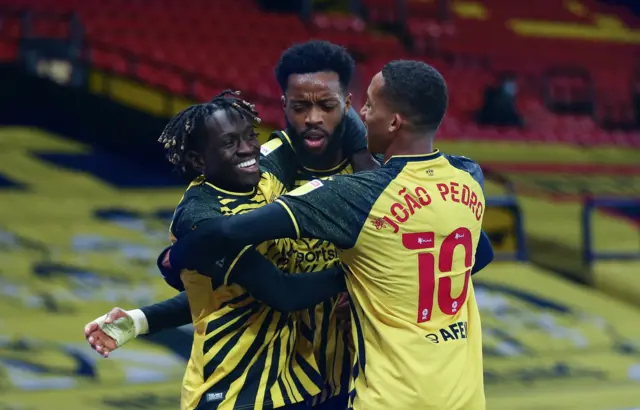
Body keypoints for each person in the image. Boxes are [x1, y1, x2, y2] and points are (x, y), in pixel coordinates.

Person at [168, 61, 492, 410]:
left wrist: (176, 258)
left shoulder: (351, 196)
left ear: (394, 121)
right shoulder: (468, 178)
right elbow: (481, 254)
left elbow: (231, 231)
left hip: (392, 397)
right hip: (465, 396)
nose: (363, 114)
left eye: (369, 105)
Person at [85, 40, 374, 410]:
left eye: (249, 137)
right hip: (240, 393)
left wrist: (142, 316)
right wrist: (361, 273)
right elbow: (271, 292)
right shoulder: (226, 199)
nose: (246, 149)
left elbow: (222, 292)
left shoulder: (281, 173)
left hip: (322, 384)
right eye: (300, 106)